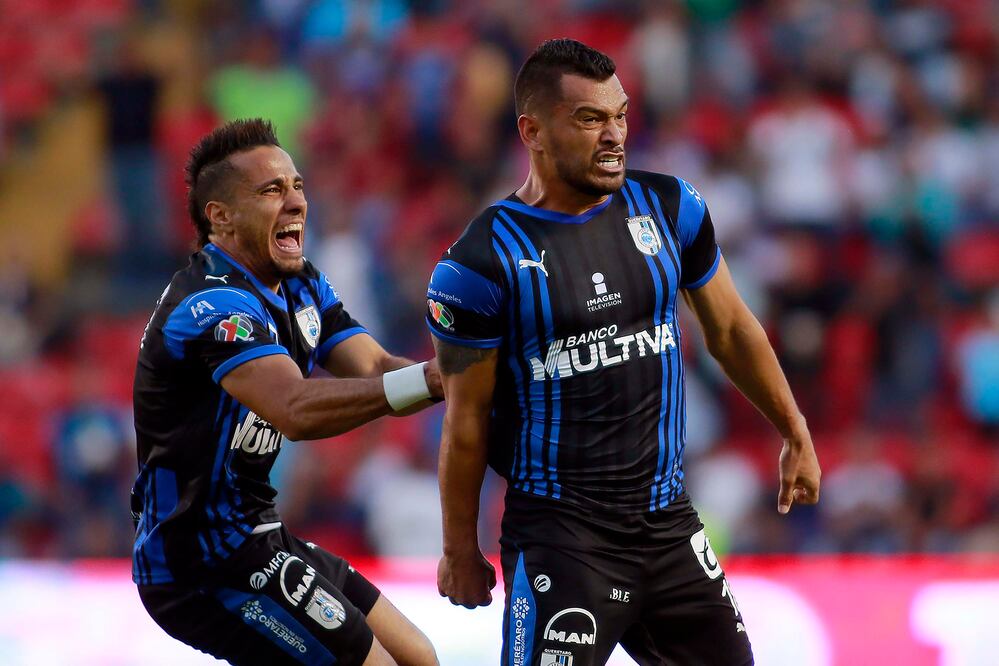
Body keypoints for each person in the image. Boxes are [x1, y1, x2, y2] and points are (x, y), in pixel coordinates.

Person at [426, 39, 821, 665]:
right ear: (532, 130)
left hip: (669, 526)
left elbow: (731, 330)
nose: (614, 135)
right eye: (589, 119)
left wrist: (793, 429)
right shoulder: (478, 265)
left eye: (621, 114)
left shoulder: (670, 208)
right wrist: (458, 549)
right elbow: (467, 420)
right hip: (562, 538)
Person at [131, 118, 440, 666]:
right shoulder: (212, 307)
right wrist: (431, 382)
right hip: (198, 563)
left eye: (296, 185)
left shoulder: (300, 282)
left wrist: (458, 375)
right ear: (219, 217)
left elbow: (373, 365)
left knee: (418, 656)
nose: (296, 201)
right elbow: (294, 410)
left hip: (259, 536)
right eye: (272, 190)